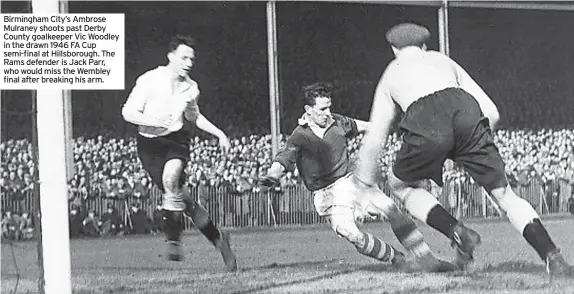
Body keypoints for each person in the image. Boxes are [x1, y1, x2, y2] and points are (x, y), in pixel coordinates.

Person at [353, 23, 571, 278]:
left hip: (424, 119)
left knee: (400, 184)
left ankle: (456, 231)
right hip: (465, 111)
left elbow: (376, 134)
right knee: (505, 195)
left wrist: (364, 181)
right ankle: (553, 257)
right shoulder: (443, 60)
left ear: (394, 49)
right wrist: (466, 147)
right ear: (424, 46)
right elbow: (491, 112)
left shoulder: (391, 74)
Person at [260, 82, 456, 272]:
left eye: (329, 107)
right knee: (354, 236)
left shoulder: (338, 121)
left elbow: (364, 126)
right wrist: (272, 176)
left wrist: (388, 124)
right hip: (327, 196)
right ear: (308, 110)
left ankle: (428, 260)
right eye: (322, 109)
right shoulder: (299, 136)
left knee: (391, 209)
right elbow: (282, 161)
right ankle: (397, 258)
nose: (327, 113)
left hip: (353, 181)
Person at [122, 34, 237, 272]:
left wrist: (219, 134)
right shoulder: (149, 80)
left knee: (170, 179)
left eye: (192, 59)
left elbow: (194, 117)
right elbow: (128, 112)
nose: (188, 62)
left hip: (176, 141)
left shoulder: (190, 88)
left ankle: (173, 241)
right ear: (170, 56)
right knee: (185, 202)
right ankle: (219, 240)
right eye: (184, 57)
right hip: (149, 145)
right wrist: (153, 121)